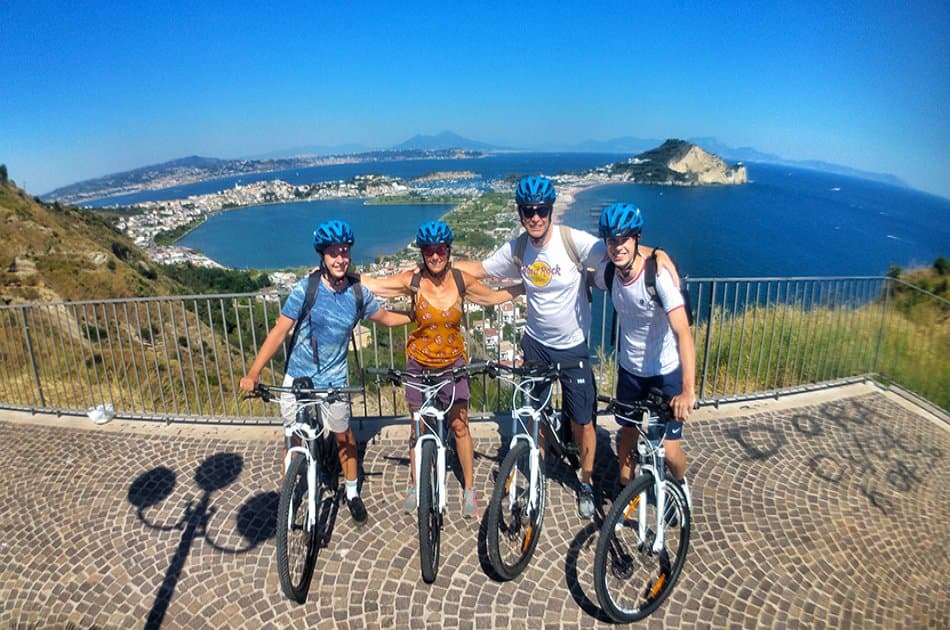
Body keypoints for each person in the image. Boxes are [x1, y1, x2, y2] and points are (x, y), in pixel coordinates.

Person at [454, 176, 605, 519]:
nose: (535, 217)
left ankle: (586, 481)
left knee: (582, 422)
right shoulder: (518, 248)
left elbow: (614, 253)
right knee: (532, 415)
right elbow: (481, 270)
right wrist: (438, 263)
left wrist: (656, 258)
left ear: (551, 211)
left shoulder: (572, 241)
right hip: (535, 344)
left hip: (572, 347)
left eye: (541, 210)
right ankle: (536, 471)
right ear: (521, 213)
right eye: (528, 211)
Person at [240, 219, 411, 524]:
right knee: (293, 439)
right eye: (333, 252)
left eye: (344, 252)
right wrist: (253, 374)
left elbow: (383, 318)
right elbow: (279, 332)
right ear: (322, 255)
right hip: (298, 378)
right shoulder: (306, 289)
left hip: (334, 381)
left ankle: (352, 491)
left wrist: (416, 315)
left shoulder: (358, 293)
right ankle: (292, 487)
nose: (340, 258)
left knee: (344, 437)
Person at [361, 220, 524, 518]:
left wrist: (526, 285)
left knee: (460, 426)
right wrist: (336, 274)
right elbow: (373, 284)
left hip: (452, 365)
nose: (434, 256)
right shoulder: (411, 281)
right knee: (417, 428)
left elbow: (492, 297)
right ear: (422, 253)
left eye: (440, 250)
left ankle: (469, 489)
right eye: (428, 251)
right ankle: (414, 485)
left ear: (448, 251)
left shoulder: (462, 281)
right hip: (418, 363)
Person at [593, 203, 695, 508]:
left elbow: (684, 333)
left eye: (624, 238)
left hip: (666, 372)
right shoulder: (608, 273)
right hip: (630, 371)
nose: (617, 246)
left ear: (636, 238)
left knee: (672, 452)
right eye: (611, 240)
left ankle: (679, 484)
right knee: (626, 437)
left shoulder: (658, 276)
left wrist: (688, 391)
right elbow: (585, 278)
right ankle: (626, 492)